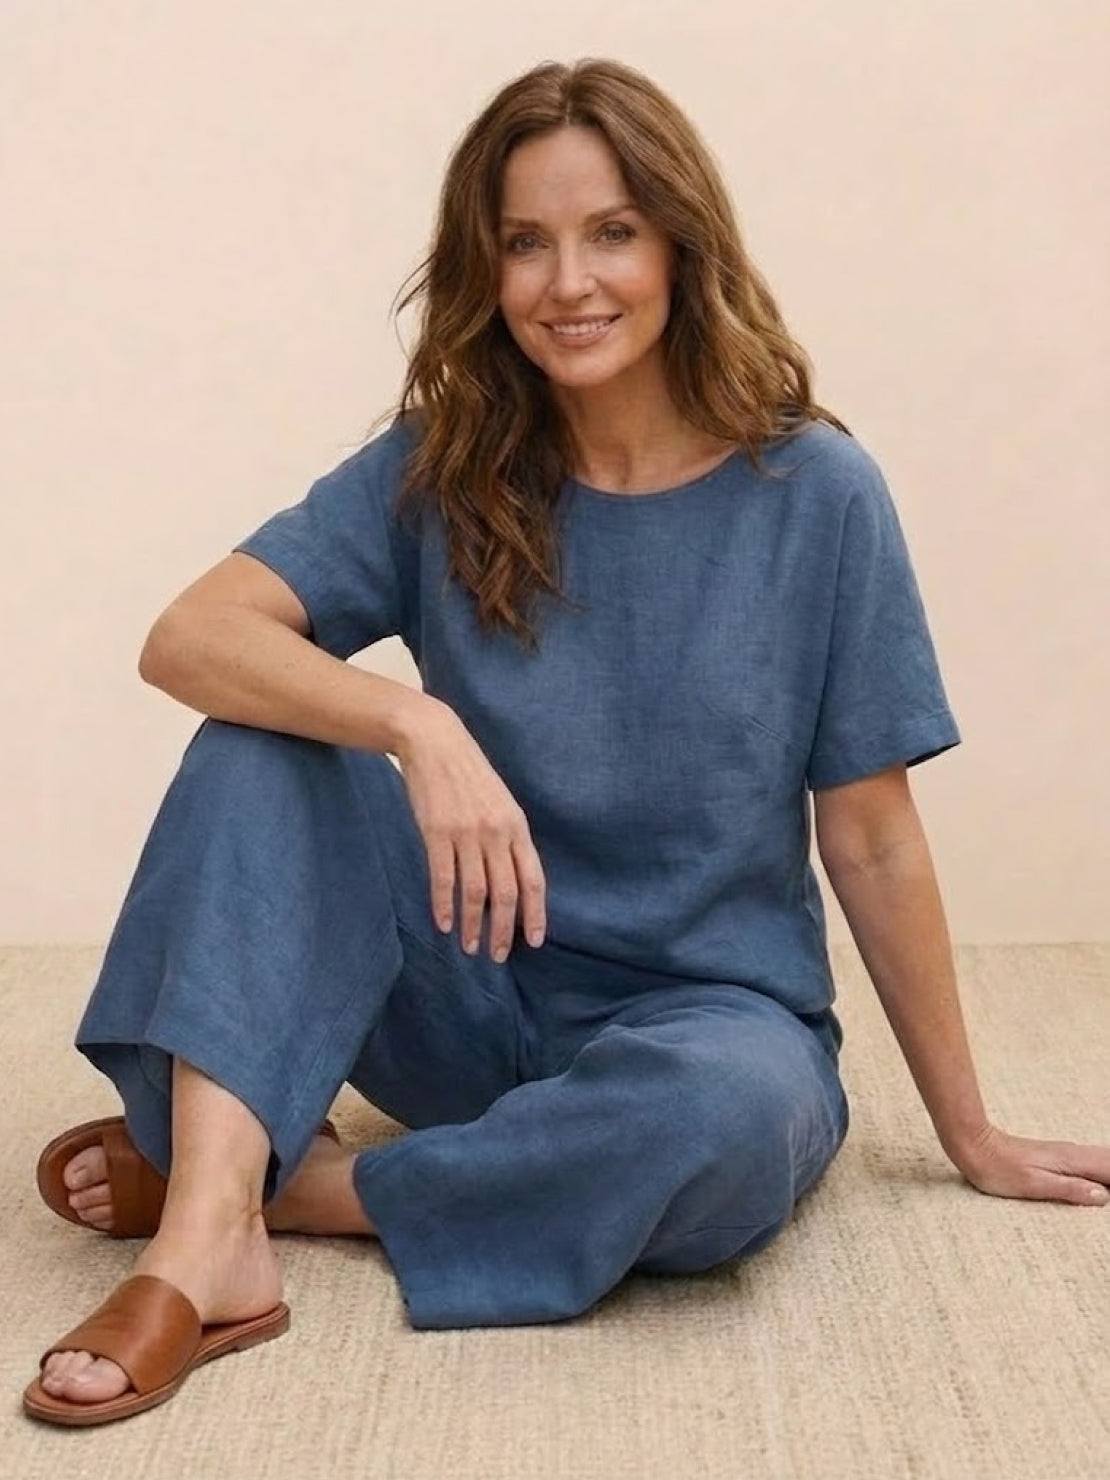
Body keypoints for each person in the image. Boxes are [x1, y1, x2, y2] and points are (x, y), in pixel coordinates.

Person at [25, 55, 992, 1426]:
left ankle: (270, 1188)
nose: (567, 282)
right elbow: (190, 635)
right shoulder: (447, 464)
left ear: (681, 244)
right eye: (524, 243)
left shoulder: (817, 490)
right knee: (260, 741)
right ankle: (204, 1250)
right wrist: (414, 723)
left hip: (703, 1025)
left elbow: (874, 835)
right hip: (462, 995)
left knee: (726, 1131)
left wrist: (969, 1130)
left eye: (612, 232)